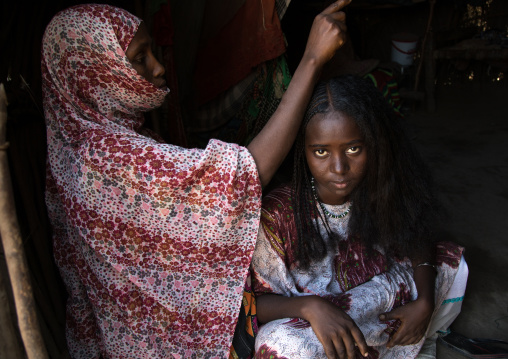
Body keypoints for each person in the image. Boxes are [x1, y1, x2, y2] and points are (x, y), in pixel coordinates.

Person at [40, 1, 351, 358]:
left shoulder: (77, 141)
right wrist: (311, 60)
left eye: (153, 53)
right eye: (140, 58)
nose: (158, 68)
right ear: (94, 71)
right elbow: (241, 176)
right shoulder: (104, 156)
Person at [250, 75, 468, 359]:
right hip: (310, 323)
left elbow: (416, 235)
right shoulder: (276, 213)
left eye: (353, 149)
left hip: (375, 302)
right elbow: (251, 304)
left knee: (454, 267)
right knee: (281, 345)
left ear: (373, 144)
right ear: (302, 152)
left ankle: (418, 341)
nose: (339, 168)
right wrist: (310, 307)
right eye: (321, 152)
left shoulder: (382, 184)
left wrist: (424, 302)